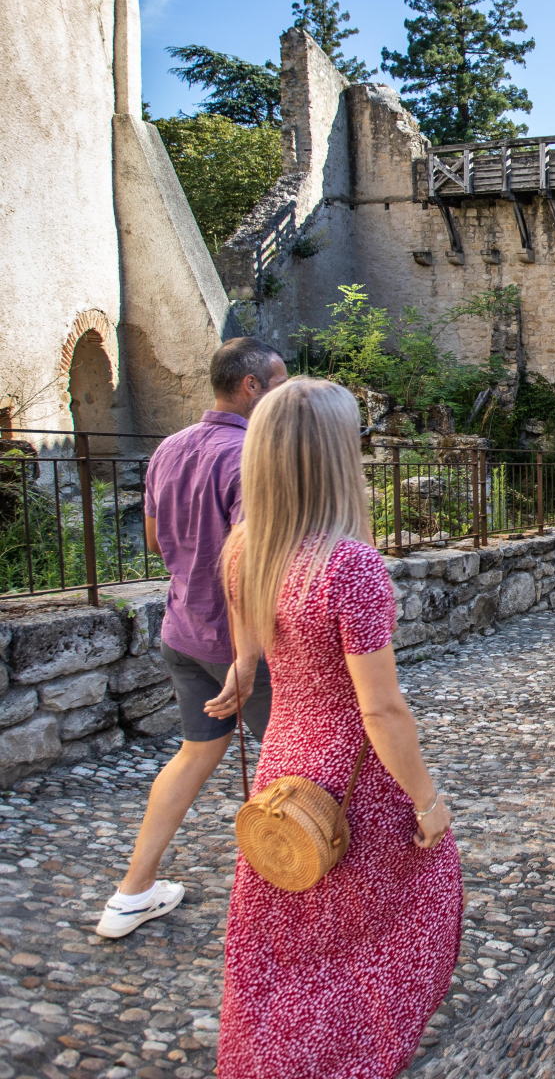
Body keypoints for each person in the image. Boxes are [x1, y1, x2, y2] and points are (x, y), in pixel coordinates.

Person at [211, 377, 461, 1079]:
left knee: (289, 923)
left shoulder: (243, 548)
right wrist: (426, 801)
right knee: (408, 901)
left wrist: (238, 678)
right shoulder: (349, 568)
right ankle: (350, 1053)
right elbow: (380, 709)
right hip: (353, 774)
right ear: (334, 456)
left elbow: (249, 651)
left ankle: (274, 1054)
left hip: (283, 762)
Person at [95, 338, 288, 938]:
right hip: (237, 644)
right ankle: (294, 911)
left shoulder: (169, 449)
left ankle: (131, 893)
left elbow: (155, 541)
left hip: (181, 631)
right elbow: (247, 565)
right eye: (280, 382)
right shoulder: (251, 455)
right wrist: (247, 657)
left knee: (194, 754)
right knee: (297, 770)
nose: (286, 393)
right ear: (252, 386)